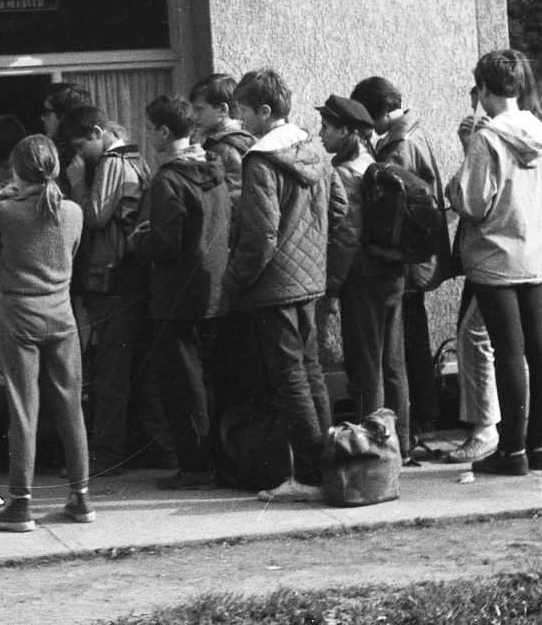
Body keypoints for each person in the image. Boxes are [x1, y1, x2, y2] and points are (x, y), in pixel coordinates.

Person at [224, 68, 345, 502]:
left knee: (290, 378)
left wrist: (233, 281)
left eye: (242, 110)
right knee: (311, 372)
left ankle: (310, 475)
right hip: (310, 278)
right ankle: (328, 466)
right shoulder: (313, 147)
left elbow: (260, 237)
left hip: (275, 284)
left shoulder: (260, 159)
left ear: (264, 110)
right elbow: (340, 206)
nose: (238, 119)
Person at [447, 50, 542, 476]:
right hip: (536, 253)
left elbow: (474, 203)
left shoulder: (486, 138)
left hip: (495, 256)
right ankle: (540, 447)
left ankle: (511, 451)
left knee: (507, 351)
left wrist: (453, 189)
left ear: (483, 89)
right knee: (541, 348)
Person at [0, 135, 93, 531]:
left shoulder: (4, 212)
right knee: (70, 407)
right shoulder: (74, 211)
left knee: (23, 411)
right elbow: (71, 254)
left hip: (18, 314)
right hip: (61, 314)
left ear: (15, 170)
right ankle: (80, 499)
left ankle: (20, 504)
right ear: (56, 168)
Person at [132, 94, 232, 491]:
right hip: (215, 291)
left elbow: (168, 243)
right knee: (208, 382)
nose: (148, 135)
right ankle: (216, 458)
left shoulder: (168, 178)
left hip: (175, 295)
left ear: (164, 130)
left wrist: (138, 241)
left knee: (181, 386)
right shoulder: (216, 167)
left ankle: (194, 465)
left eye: (151, 127)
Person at [349, 75, 448, 447]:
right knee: (407, 340)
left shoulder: (398, 146)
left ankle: (421, 416)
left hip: (406, 259)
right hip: (417, 256)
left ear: (384, 114)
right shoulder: (410, 134)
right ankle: (421, 415)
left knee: (407, 345)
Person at [59, 103, 153, 474]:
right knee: (130, 365)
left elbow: (93, 217)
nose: (79, 155)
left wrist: (80, 181)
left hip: (112, 276)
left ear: (99, 134)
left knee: (110, 368)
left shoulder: (113, 163)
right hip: (130, 274)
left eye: (81, 145)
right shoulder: (137, 159)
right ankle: (147, 445)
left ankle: (106, 453)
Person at [319, 94, 411, 450]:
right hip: (391, 273)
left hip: (361, 278)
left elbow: (344, 237)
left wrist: (331, 288)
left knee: (365, 367)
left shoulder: (344, 174)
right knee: (392, 363)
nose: (321, 134)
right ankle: (399, 443)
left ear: (347, 131)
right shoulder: (375, 163)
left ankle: (371, 449)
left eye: (327, 127)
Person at [190, 73, 256, 206]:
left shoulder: (224, 149)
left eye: (199, 109)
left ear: (222, 109)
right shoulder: (247, 140)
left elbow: (229, 202)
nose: (194, 116)